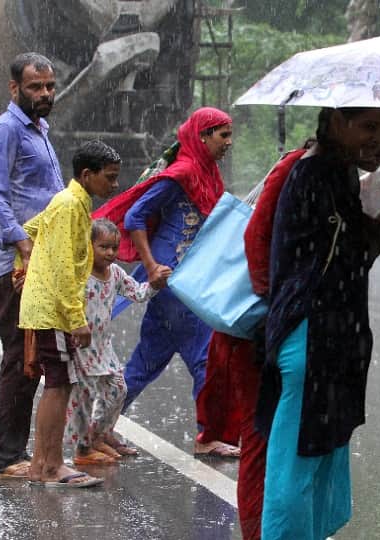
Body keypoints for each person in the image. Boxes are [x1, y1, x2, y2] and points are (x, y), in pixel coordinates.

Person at [256, 107, 380, 539]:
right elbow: (350, 258)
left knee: (317, 461)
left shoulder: (338, 171)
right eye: (369, 127)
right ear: (335, 121)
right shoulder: (319, 174)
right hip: (312, 335)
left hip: (329, 340)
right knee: (296, 467)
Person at [92, 107, 239, 457]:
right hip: (174, 281)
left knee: (146, 361)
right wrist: (151, 265)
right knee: (206, 358)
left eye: (230, 135)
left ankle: (98, 429)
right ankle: (208, 435)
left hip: (186, 280)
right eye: (223, 135)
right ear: (202, 137)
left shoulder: (207, 173)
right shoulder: (184, 172)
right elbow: (134, 216)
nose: (229, 143)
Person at [194, 142, 311, 539]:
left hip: (285, 327)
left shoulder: (333, 169)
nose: (377, 143)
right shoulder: (297, 166)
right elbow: (255, 234)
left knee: (289, 442)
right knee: (261, 441)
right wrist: (271, 306)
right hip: (258, 330)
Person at [0, 52, 64, 481]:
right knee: (20, 357)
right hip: (15, 266)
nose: (45, 94)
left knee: (35, 360)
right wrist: (22, 242)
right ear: (15, 89)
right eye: (36, 87)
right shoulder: (6, 130)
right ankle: (4, 458)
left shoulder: (40, 129)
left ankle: (17, 452)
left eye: (49, 86)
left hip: (40, 264)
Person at [20, 140, 121, 488]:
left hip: (49, 305)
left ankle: (42, 465)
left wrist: (26, 267)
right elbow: (64, 268)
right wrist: (76, 317)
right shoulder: (69, 206)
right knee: (58, 386)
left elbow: (32, 229)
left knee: (61, 385)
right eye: (109, 178)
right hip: (53, 310)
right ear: (87, 175)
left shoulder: (73, 203)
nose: (114, 185)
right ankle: (48, 466)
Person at [63, 218, 171, 465]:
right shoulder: (79, 275)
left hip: (103, 347)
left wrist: (155, 284)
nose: (110, 253)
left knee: (118, 389)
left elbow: (139, 293)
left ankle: (99, 435)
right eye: (104, 247)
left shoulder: (116, 274)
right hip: (80, 347)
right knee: (83, 398)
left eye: (114, 247)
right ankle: (83, 450)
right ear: (88, 246)